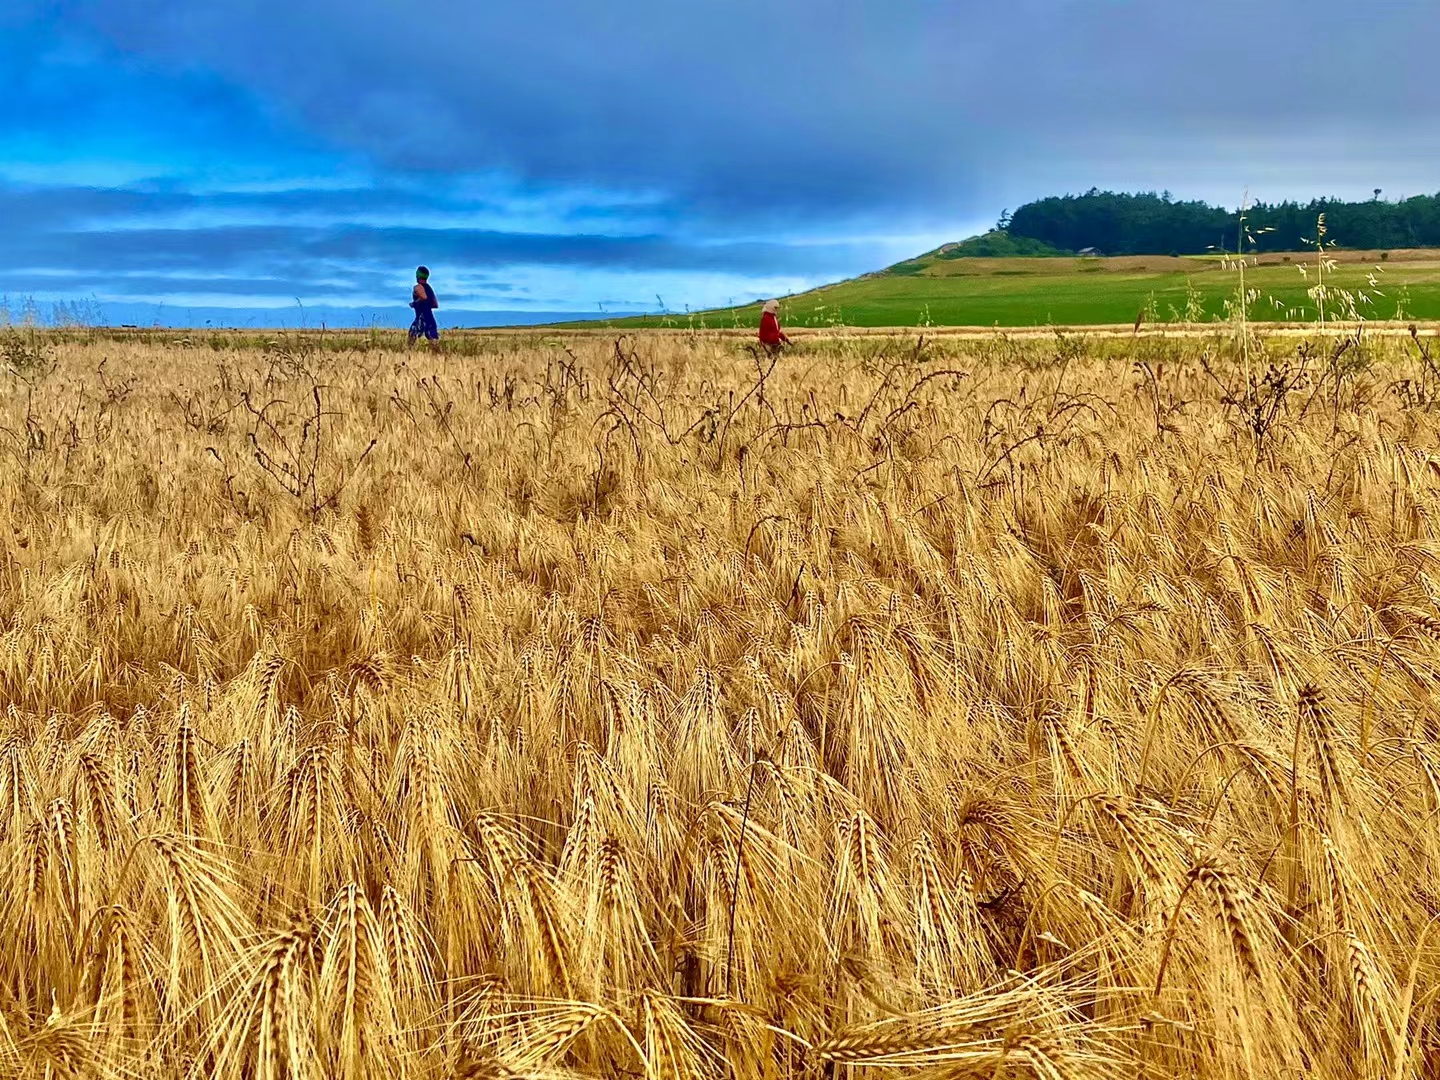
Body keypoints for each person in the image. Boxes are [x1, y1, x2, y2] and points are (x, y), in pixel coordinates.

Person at [408, 266, 440, 351]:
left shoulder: (418, 287)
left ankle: (409, 352)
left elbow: (423, 297)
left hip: (422, 316)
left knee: (412, 334)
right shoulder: (429, 288)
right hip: (430, 316)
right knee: (432, 337)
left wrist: (414, 304)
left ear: (417, 275)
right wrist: (426, 305)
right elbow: (435, 304)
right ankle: (437, 355)